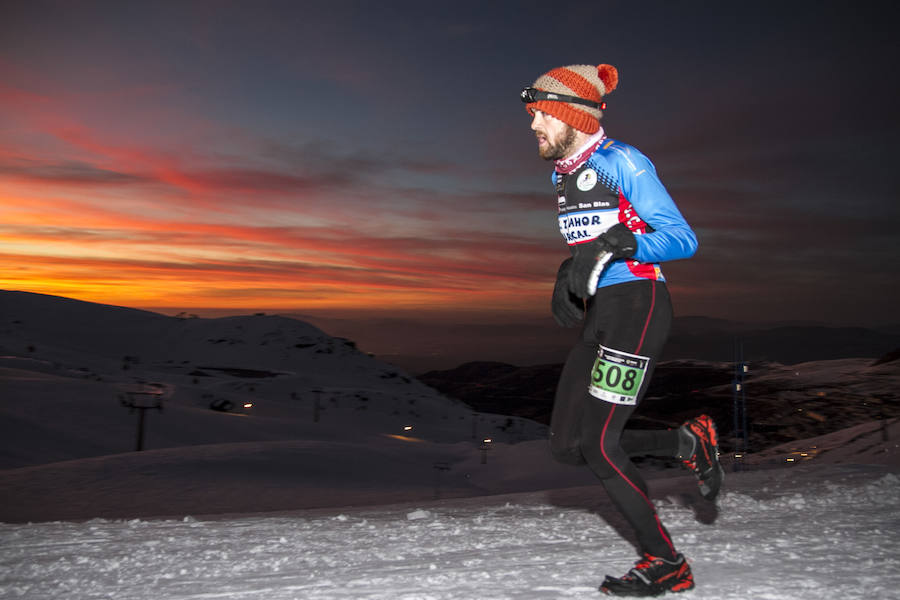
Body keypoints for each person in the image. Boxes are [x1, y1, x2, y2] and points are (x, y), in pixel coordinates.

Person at [520, 63, 724, 597]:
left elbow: (682, 239)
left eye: (541, 114)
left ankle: (666, 563)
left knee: (604, 447)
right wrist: (568, 274)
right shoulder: (562, 173)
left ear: (570, 113)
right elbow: (587, 242)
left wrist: (618, 245)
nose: (534, 126)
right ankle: (684, 440)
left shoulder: (623, 161)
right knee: (569, 446)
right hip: (602, 314)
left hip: (639, 305)